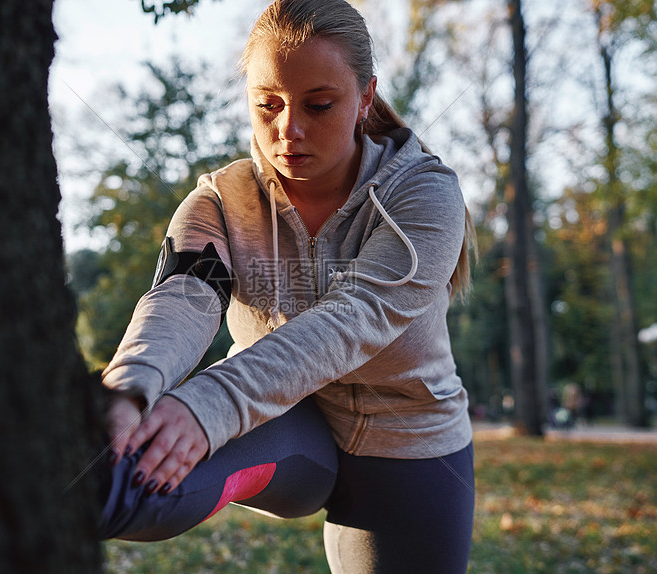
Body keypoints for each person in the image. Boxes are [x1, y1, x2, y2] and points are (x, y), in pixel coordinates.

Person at [98, 0, 477, 571]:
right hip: (284, 422)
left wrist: (210, 402)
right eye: (267, 104)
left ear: (365, 97)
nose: (288, 129)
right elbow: (183, 298)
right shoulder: (219, 203)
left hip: (409, 441)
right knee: (129, 477)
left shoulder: (423, 194)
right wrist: (129, 392)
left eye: (318, 105)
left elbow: (357, 317)